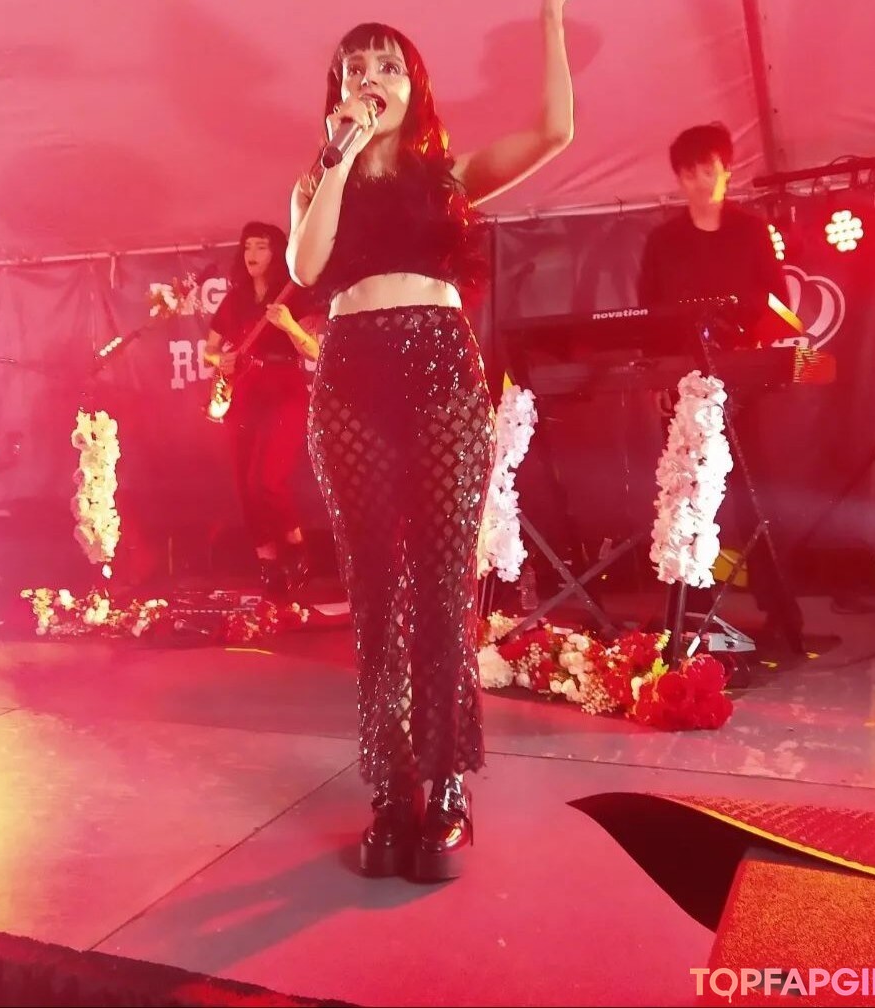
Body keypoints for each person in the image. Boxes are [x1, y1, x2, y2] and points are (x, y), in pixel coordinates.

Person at [288, 1, 573, 881]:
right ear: (338, 88)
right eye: (356, 68)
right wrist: (338, 157)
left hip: (441, 370)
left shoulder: (449, 172)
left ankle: (447, 784)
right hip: (352, 378)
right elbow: (304, 268)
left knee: (444, 586)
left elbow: (555, 132)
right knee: (376, 590)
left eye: (389, 67)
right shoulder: (317, 177)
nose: (372, 79)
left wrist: (551, 19)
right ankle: (391, 787)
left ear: (415, 86)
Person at [637, 122, 804, 650]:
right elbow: (650, 316)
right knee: (685, 495)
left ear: (726, 170)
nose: (700, 180)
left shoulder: (751, 231)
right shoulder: (663, 242)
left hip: (743, 384)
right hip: (686, 384)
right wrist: (660, 376)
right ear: (678, 178)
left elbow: (778, 305)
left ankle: (781, 611)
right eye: (689, 172)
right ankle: (686, 610)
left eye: (708, 169)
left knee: (757, 499)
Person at [203, 222, 324, 600]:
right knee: (244, 484)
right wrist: (221, 360)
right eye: (248, 247)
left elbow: (314, 351)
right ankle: (268, 563)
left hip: (283, 388)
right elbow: (209, 351)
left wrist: (288, 325)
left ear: (277, 253)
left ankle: (297, 549)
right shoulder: (235, 299)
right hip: (244, 392)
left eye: (261, 247)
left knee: (266, 479)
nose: (252, 254)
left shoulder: (294, 296)